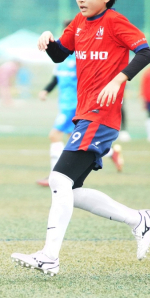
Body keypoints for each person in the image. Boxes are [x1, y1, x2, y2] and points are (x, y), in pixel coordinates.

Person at [11, 0, 150, 276]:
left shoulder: (116, 22)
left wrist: (119, 79)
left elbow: (144, 52)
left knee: (58, 179)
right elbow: (61, 55)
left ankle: (49, 257)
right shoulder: (78, 23)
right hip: (85, 116)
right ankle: (139, 220)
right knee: (69, 191)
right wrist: (48, 41)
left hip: (100, 117)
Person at [36, 21, 123, 187]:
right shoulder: (61, 57)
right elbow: (56, 77)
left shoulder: (82, 56)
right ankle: (111, 153)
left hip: (76, 106)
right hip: (65, 105)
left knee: (54, 135)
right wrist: (45, 90)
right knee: (74, 142)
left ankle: (53, 176)